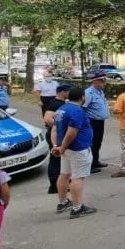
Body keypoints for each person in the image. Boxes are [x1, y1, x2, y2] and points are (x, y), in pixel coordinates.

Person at [51, 87, 97, 219]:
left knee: (64, 174)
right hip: (78, 149)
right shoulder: (78, 111)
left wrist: (57, 146)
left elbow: (55, 129)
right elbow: (71, 133)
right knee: (77, 177)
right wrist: (62, 147)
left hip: (65, 149)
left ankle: (63, 202)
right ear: (82, 97)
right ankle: (77, 208)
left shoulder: (61, 109)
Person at [43, 84, 71, 194]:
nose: (70, 93)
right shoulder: (55, 104)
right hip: (55, 135)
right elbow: (47, 119)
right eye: (69, 91)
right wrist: (61, 125)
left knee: (62, 159)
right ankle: (54, 185)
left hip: (59, 134)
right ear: (63, 92)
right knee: (56, 159)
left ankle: (63, 183)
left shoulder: (63, 103)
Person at [83, 72, 109, 174]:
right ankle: (90, 165)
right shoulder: (88, 93)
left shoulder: (100, 92)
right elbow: (83, 108)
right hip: (92, 122)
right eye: (102, 81)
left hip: (99, 122)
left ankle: (95, 161)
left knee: (98, 142)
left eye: (104, 80)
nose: (104, 83)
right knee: (91, 143)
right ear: (94, 81)